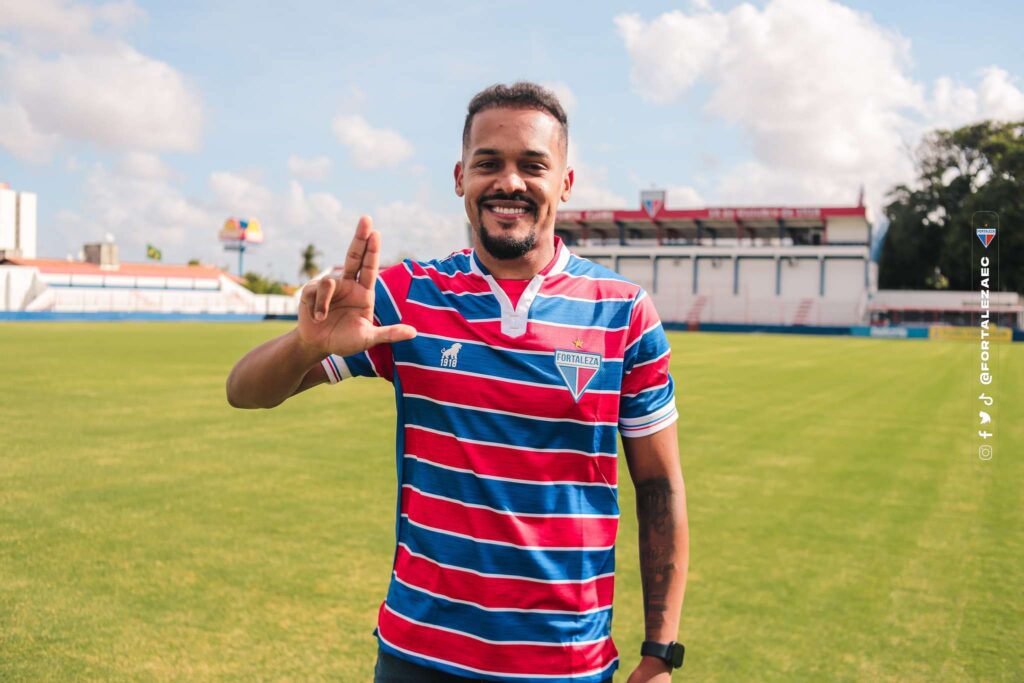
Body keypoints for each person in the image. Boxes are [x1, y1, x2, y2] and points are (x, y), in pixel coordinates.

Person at [227, 82, 688, 683]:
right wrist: (303, 346)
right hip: (419, 655)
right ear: (459, 177)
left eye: (534, 165)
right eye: (488, 164)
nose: (510, 183)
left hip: (565, 664)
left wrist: (662, 652)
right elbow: (245, 390)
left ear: (565, 183)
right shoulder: (407, 295)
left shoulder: (623, 311)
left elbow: (659, 488)